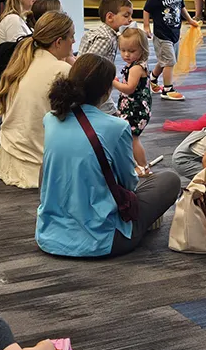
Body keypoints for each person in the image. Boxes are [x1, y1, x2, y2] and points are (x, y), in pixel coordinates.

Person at [37, 54, 182, 258]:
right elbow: (128, 183)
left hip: (49, 235)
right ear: (107, 91)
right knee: (170, 180)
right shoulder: (117, 127)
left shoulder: (51, 119)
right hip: (104, 240)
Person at [0, 11, 75, 188]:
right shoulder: (61, 69)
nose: (74, 42)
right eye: (72, 37)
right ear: (59, 42)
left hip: (9, 155)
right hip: (37, 164)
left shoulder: (22, 60)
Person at [145, 0, 199, 101]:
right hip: (162, 34)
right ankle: (167, 89)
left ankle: (152, 79)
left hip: (174, 32)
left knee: (166, 60)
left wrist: (190, 20)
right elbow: (147, 9)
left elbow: (181, 7)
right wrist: (146, 27)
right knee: (170, 62)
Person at [80, 0, 134, 116]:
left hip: (95, 86)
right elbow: (89, 64)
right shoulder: (106, 39)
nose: (130, 20)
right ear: (110, 17)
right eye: (126, 16)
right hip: (96, 86)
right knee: (112, 115)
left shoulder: (97, 32)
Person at [113, 28, 153, 171]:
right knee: (130, 137)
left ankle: (143, 166)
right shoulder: (135, 64)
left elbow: (129, 88)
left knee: (133, 138)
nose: (126, 54)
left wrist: (114, 82)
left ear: (142, 49)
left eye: (131, 51)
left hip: (136, 109)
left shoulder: (136, 68)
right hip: (134, 107)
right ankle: (138, 164)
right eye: (123, 50)